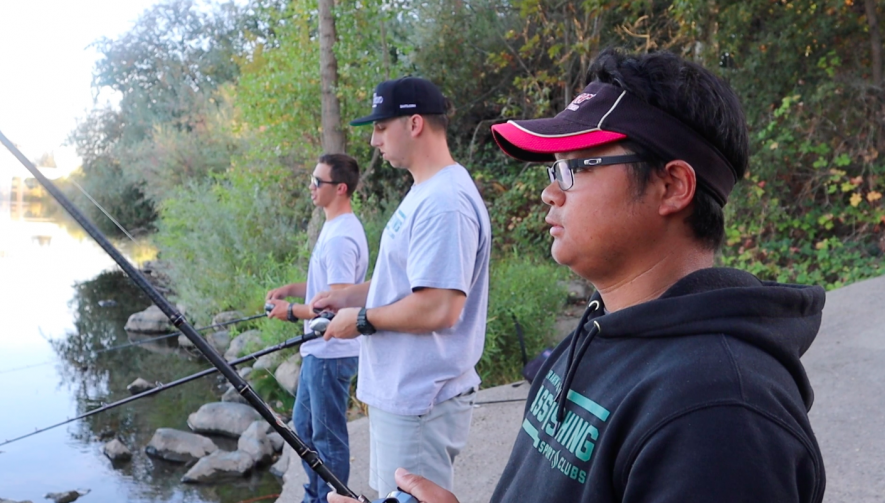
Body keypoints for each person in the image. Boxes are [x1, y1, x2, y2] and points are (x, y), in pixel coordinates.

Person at [329, 48, 826, 503]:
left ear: (672, 186)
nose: (550, 193)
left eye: (577, 166)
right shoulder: (598, 331)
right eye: (553, 169)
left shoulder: (719, 417)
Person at [311, 76, 492, 498]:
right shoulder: (424, 191)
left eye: (380, 126)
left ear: (413, 125)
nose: (374, 140)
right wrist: (350, 295)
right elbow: (412, 282)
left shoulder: (445, 201)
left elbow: (438, 307)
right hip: (403, 398)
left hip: (420, 401)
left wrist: (360, 319)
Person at [266, 153, 369, 503]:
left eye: (317, 182)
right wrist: (293, 290)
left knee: (327, 439)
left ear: (340, 188)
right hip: (318, 352)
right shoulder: (333, 226)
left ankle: (331, 499)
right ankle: (314, 496)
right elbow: (328, 289)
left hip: (331, 352)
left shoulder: (341, 237)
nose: (311, 186)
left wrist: (292, 311)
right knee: (305, 431)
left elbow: (337, 303)